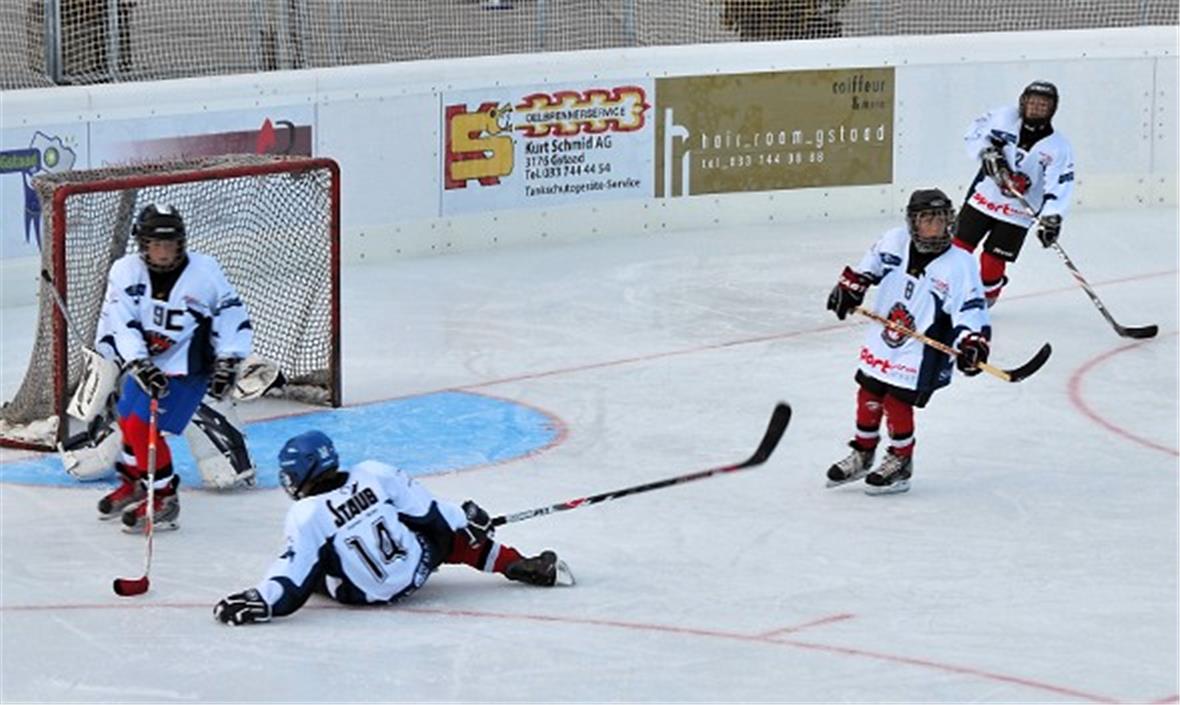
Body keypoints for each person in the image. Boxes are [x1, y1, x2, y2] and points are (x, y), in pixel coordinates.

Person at [213, 430, 573, 625]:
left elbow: (293, 580)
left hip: (362, 595)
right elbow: (431, 514)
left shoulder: (306, 514)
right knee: (443, 534)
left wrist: (262, 600)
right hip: (417, 568)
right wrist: (465, 520)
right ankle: (518, 563)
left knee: (317, 557)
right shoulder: (374, 473)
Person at [94, 204, 253, 532]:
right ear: (143, 245)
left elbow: (231, 313)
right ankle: (137, 482)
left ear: (182, 243)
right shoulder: (125, 271)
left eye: (170, 244)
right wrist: (138, 363)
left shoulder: (204, 272)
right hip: (147, 363)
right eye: (156, 244)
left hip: (187, 368)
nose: (164, 252)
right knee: (127, 418)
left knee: (142, 427)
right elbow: (121, 321)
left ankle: (165, 498)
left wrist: (228, 361)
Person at [824, 188, 991, 494]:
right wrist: (849, 289)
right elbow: (866, 269)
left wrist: (973, 341)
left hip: (924, 344)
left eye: (941, 219)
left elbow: (970, 308)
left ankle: (901, 460)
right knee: (868, 391)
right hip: (885, 335)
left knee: (897, 401)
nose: (936, 227)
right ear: (913, 222)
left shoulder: (960, 263)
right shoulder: (894, 241)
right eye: (928, 219)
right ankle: (863, 453)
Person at [954, 80, 1076, 307]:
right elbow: (975, 132)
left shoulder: (1058, 147)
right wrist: (987, 152)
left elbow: (1059, 186)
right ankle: (944, 290)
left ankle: (986, 298)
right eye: (1032, 102)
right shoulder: (1004, 117)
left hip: (1019, 210)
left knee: (992, 259)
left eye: (1043, 105)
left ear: (1052, 109)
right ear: (1023, 102)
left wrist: (1052, 217)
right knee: (958, 247)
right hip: (985, 196)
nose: (1036, 108)